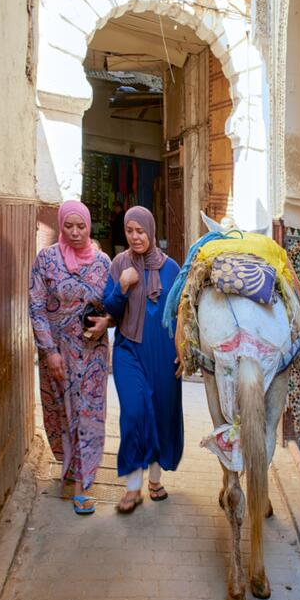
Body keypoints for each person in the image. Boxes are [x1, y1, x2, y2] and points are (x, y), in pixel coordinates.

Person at [29, 201, 112, 514]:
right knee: (60, 412)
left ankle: (82, 483)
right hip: (57, 351)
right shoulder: (46, 260)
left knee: (87, 413)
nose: (76, 233)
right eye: (69, 226)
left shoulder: (103, 262)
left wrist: (108, 321)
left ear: (89, 226)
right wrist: (49, 351)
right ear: (61, 226)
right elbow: (36, 306)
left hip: (92, 352)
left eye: (81, 226)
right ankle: (69, 466)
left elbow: (115, 305)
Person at [103, 205, 183, 513]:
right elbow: (110, 308)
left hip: (163, 354)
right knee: (134, 414)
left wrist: (183, 352)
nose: (134, 237)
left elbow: (181, 315)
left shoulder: (171, 269)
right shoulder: (119, 264)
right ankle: (132, 489)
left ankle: (155, 478)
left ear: (150, 231)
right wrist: (122, 286)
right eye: (129, 231)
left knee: (162, 412)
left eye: (140, 231)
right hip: (128, 351)